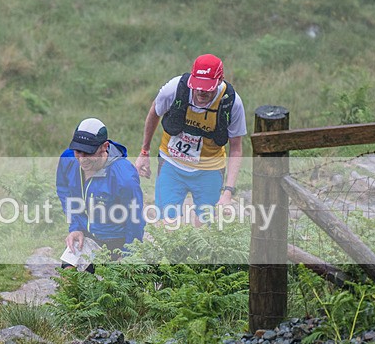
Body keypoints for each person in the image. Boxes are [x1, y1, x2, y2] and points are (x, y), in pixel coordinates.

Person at [135, 54, 246, 226]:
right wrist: (144, 152)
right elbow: (154, 113)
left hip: (210, 168)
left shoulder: (232, 103)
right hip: (171, 162)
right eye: (198, 86)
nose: (201, 92)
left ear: (219, 80)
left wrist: (228, 191)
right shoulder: (175, 88)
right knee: (168, 224)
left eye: (207, 87)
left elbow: (236, 148)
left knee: (204, 229)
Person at [56, 117, 145, 271]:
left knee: (110, 291)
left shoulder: (124, 176)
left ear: (105, 146)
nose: (82, 159)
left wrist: (128, 254)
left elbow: (135, 218)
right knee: (68, 275)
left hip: (116, 241)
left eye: (88, 153)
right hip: (86, 235)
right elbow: (64, 191)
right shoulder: (68, 159)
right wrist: (75, 226)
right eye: (78, 151)